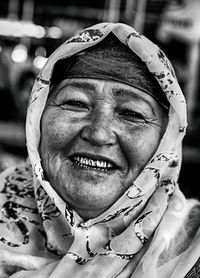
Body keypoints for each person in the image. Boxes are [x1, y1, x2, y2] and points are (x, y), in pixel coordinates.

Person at [0, 22, 199, 278]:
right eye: (76, 103)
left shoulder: (192, 249)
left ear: (166, 140)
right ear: (37, 118)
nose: (98, 133)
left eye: (131, 113)